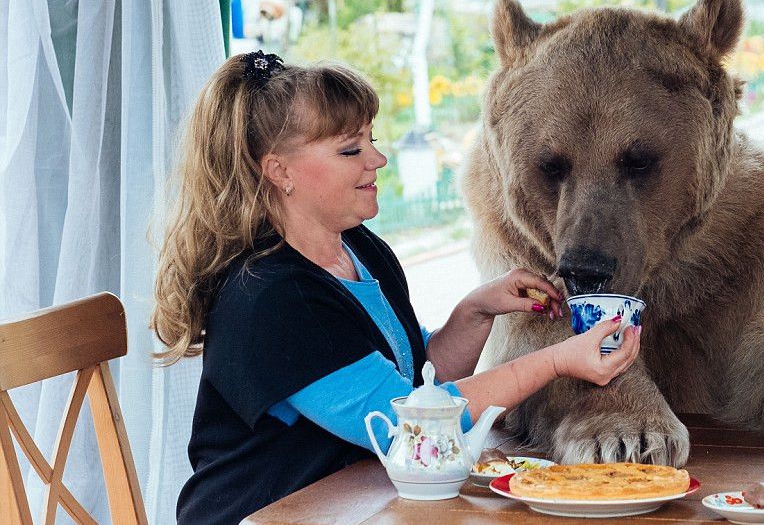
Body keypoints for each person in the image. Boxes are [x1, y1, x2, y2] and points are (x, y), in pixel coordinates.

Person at [151, 51, 641, 524]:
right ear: (280, 171)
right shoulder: (273, 299)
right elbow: (411, 428)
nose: (378, 159)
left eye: (371, 140)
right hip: (269, 515)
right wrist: (556, 360)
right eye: (351, 149)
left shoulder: (360, 248)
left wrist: (476, 311)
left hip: (358, 503)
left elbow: (414, 385)